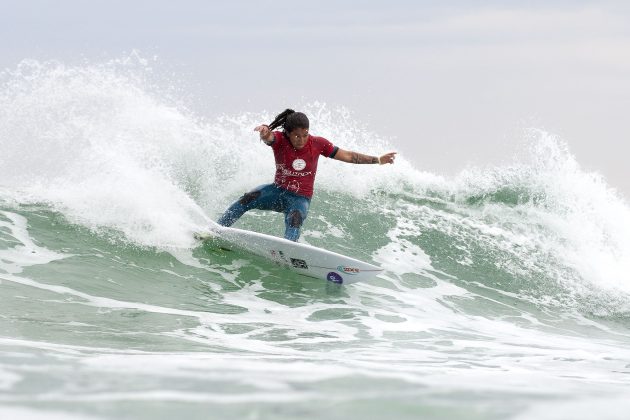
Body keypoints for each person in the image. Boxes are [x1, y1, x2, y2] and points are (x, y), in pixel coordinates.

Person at [217, 109, 396, 241]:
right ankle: (217, 230)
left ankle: (288, 251)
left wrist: (378, 160)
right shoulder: (280, 140)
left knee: (295, 219)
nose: (301, 139)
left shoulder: (318, 144)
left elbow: (348, 156)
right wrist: (265, 132)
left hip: (299, 198)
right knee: (248, 198)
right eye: (296, 136)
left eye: (305, 134)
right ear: (288, 133)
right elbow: (270, 137)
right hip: (276, 192)